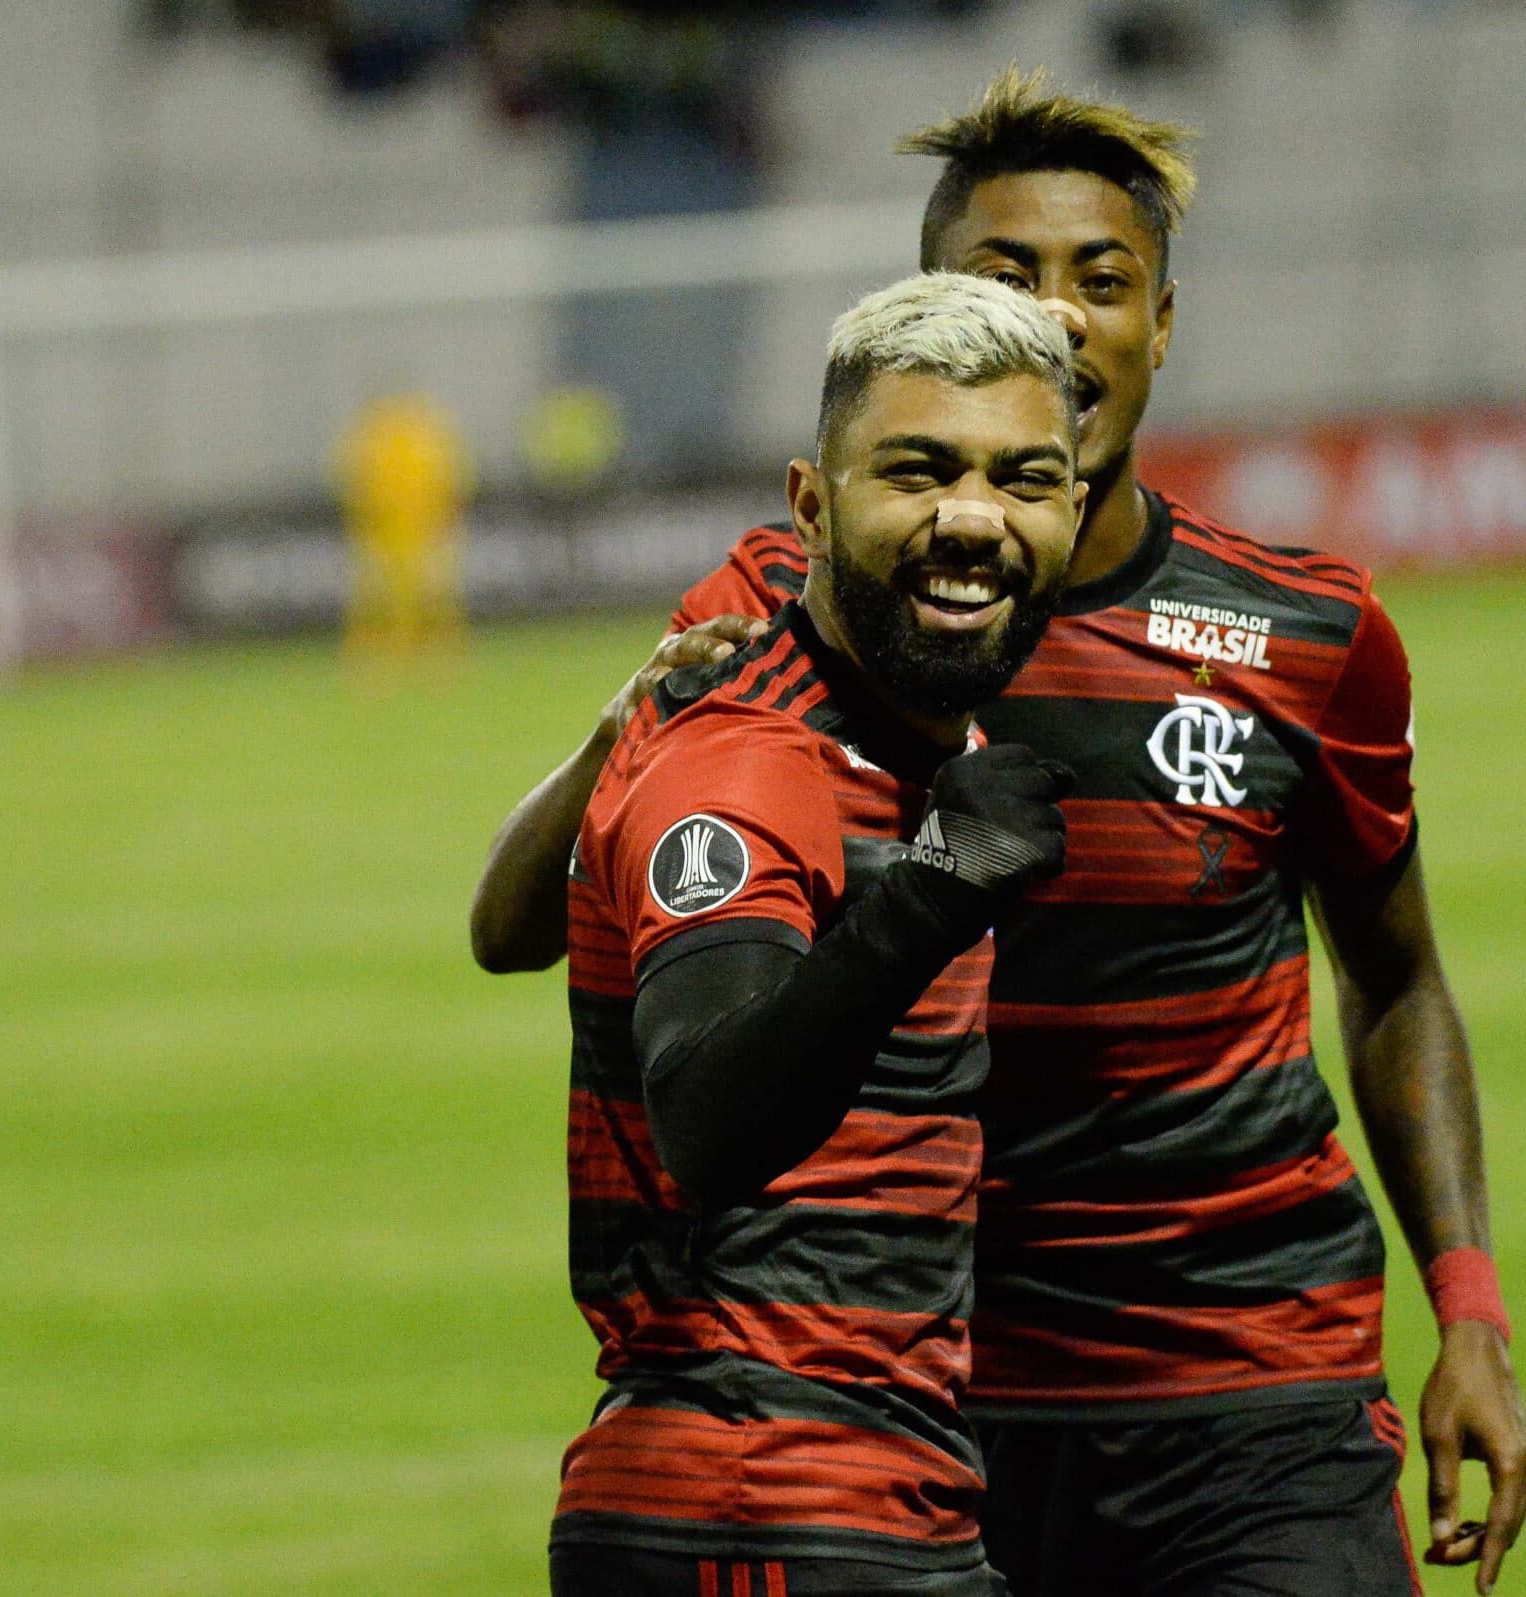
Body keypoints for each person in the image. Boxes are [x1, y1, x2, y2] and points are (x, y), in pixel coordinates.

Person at [481, 69, 1526, 1597]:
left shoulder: (1306, 635)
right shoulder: (802, 598)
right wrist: (616, 734)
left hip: (1247, 1386)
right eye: (1006, 275)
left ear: (1161, 324)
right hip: (942, 1406)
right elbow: (523, 924)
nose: (1055, 319)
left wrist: (1474, 1312)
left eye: (1100, 283)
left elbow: (1397, 977)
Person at [550, 272, 1085, 1597]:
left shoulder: (910, 736)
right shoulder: (751, 764)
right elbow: (712, 1119)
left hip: (869, 1495)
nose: (974, 516)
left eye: (1024, 479)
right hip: (763, 1496)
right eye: (920, 471)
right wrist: (933, 885)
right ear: (811, 505)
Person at [336, 385, 470, 672]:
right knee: (386, 598)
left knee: (426, 596)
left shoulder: (388, 437)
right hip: (392, 532)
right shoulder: (411, 436)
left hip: (415, 530)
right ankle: (388, 656)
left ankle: (426, 655)